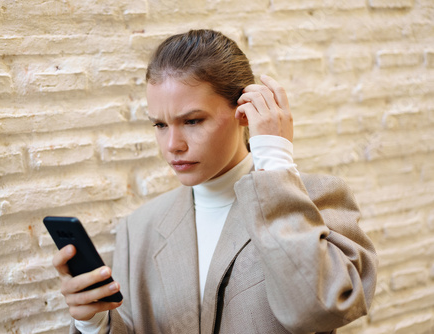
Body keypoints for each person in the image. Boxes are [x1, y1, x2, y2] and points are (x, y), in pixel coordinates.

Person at [53, 29, 378, 334]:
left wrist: (275, 159)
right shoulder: (138, 229)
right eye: (160, 125)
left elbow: (320, 309)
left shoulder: (318, 201)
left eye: (192, 121)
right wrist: (94, 321)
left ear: (243, 113)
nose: (172, 145)